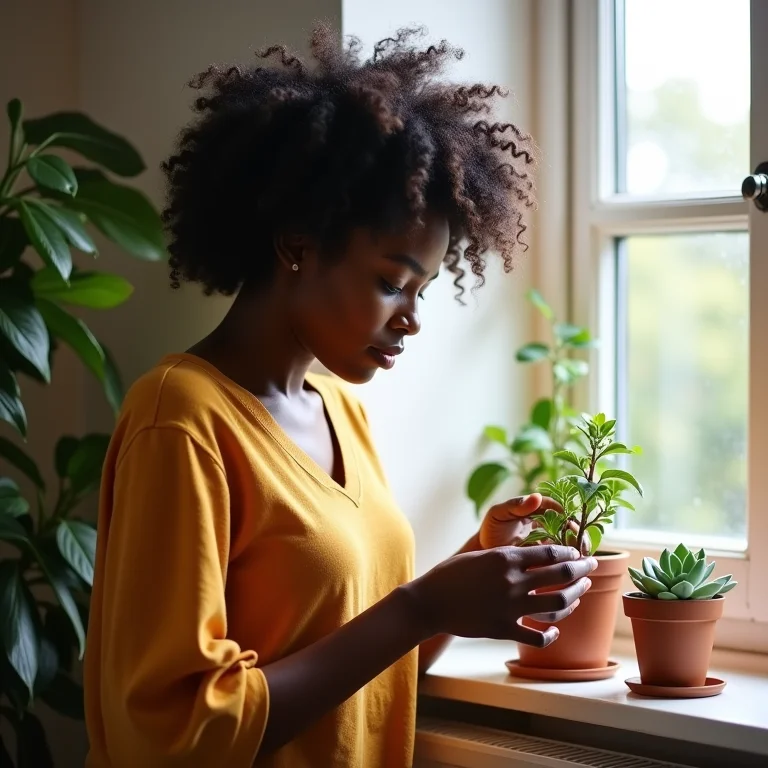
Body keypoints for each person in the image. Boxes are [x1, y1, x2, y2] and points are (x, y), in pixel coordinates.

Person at [83, 25, 596, 768]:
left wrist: (474, 566)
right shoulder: (181, 417)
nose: (413, 318)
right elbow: (174, 738)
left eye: (423, 289)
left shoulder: (342, 411)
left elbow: (365, 674)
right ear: (297, 245)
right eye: (392, 283)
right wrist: (423, 605)